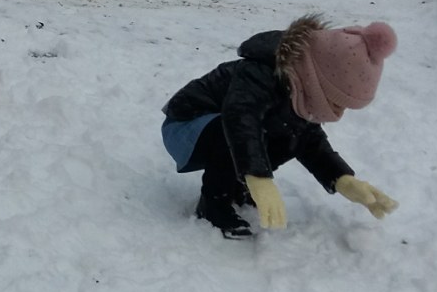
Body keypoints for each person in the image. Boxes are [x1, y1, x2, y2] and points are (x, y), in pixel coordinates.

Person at [162, 14, 399, 238]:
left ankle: (237, 187)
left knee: (292, 135)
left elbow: (309, 140)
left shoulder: (301, 86)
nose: (338, 110)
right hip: (186, 127)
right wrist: (258, 177)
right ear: (322, 80)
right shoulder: (261, 72)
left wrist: (342, 179)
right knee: (234, 130)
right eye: (337, 100)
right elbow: (240, 120)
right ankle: (214, 204)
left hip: (221, 129)